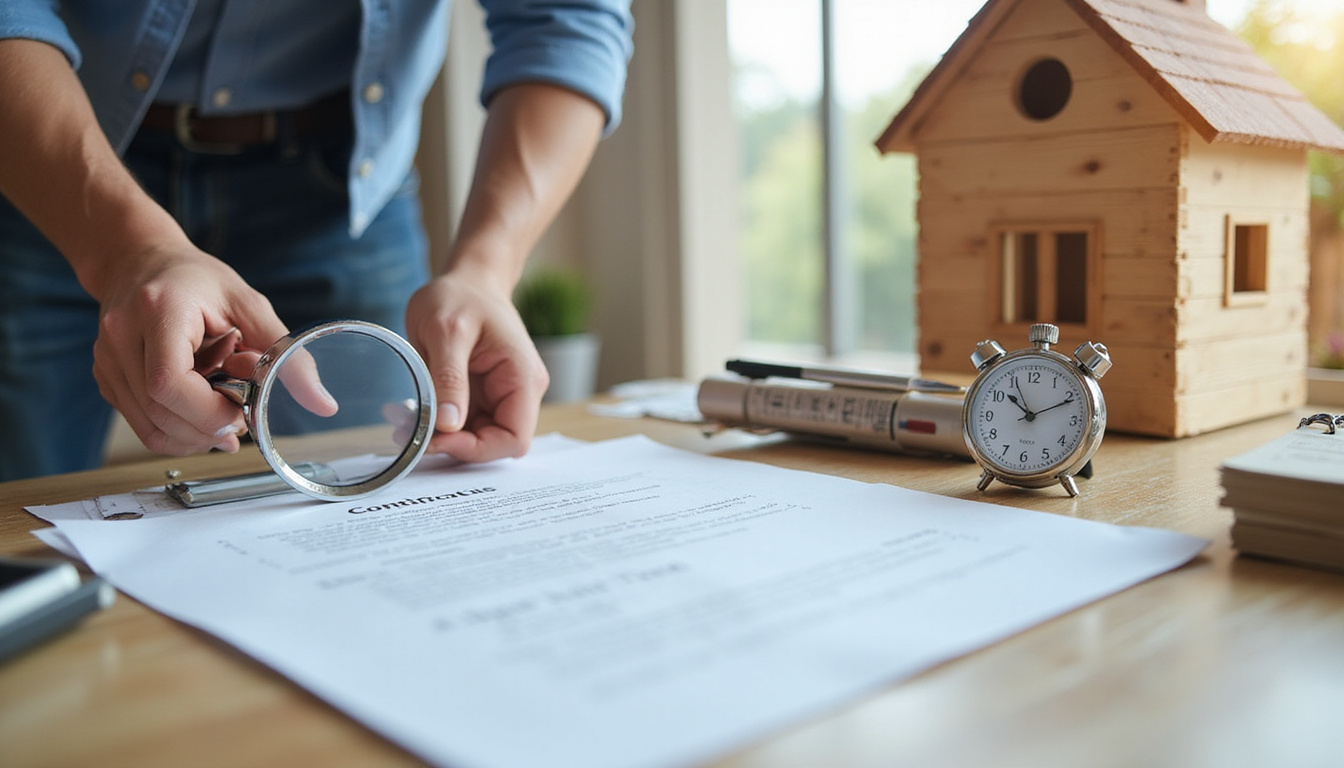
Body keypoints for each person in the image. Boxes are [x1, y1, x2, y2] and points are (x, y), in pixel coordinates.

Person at [0, 1, 634, 481]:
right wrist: (127, 249)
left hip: (346, 184)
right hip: (50, 154)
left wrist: (486, 272)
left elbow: (568, 17)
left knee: (376, 489)